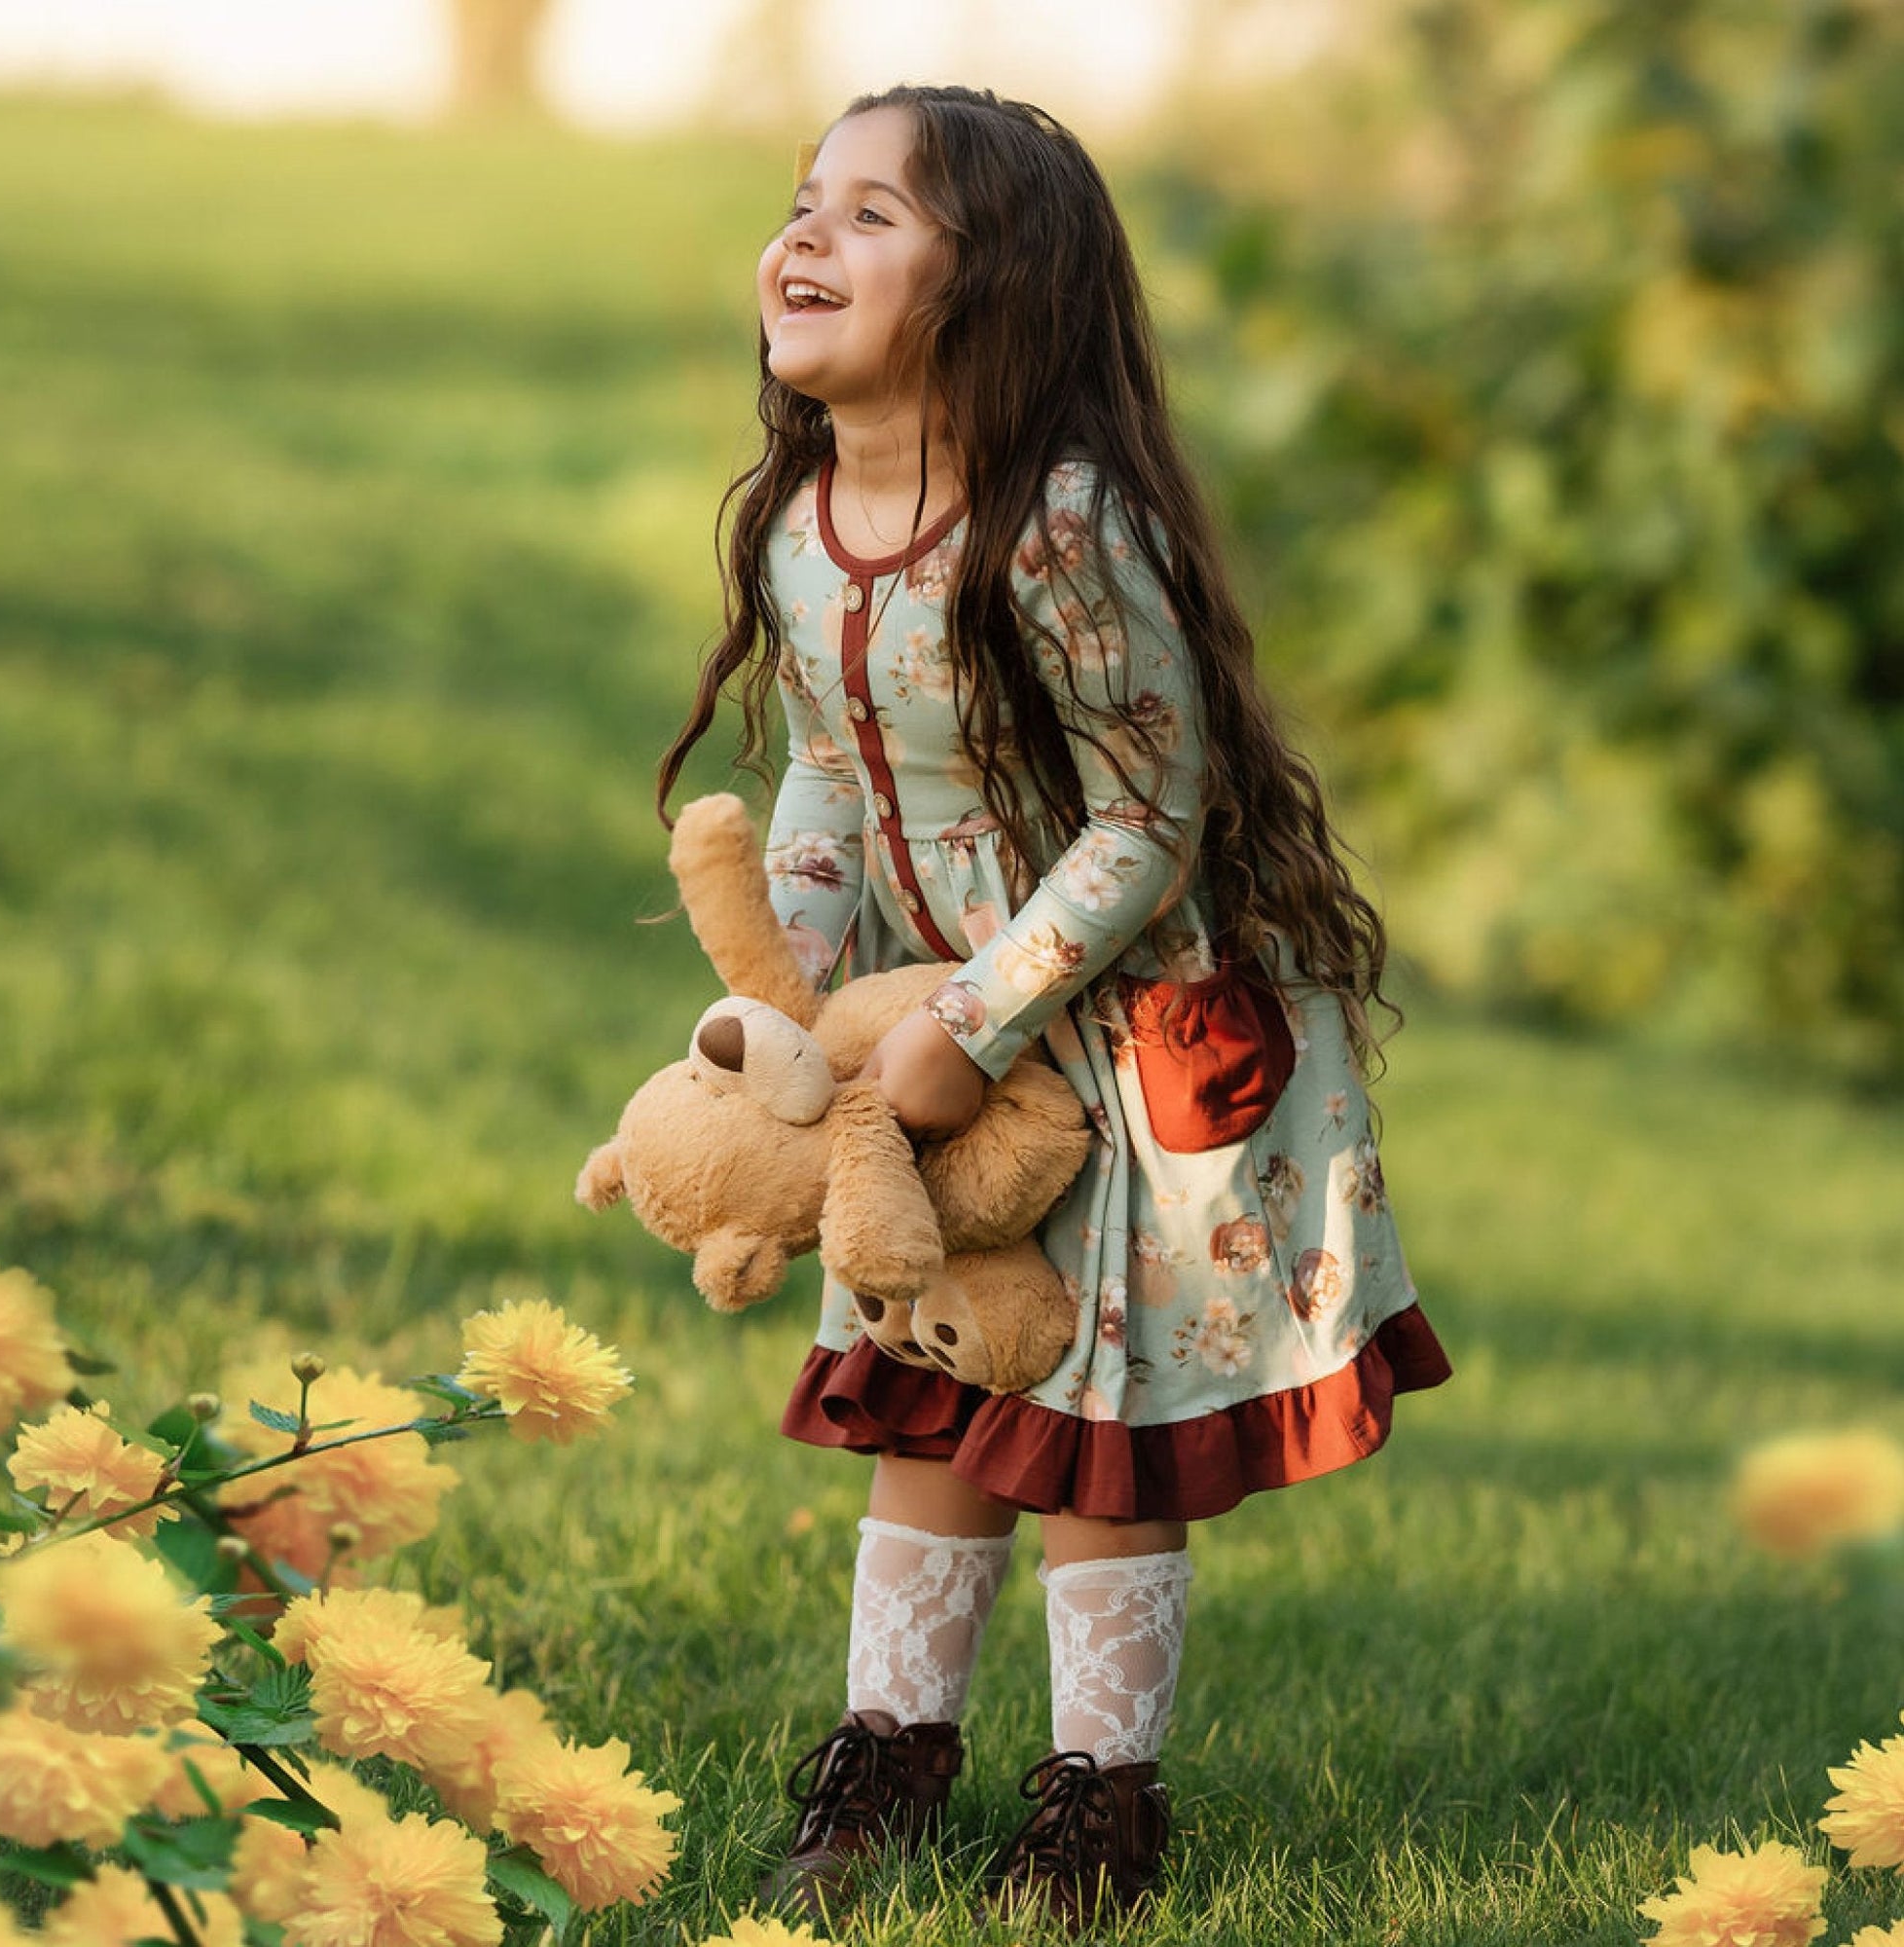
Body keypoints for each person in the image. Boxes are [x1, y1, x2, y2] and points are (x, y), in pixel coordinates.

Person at [656, 84, 1451, 1930]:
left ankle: (1100, 1801)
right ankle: (886, 1759)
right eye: (803, 202)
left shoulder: (1058, 525)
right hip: (921, 1039)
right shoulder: (802, 523)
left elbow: (1150, 818)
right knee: (927, 1380)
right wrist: (791, 1001)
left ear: (988, 283)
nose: (806, 237)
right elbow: (833, 786)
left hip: (1123, 1030)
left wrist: (975, 1023)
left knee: (1093, 1420)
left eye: (870, 216)